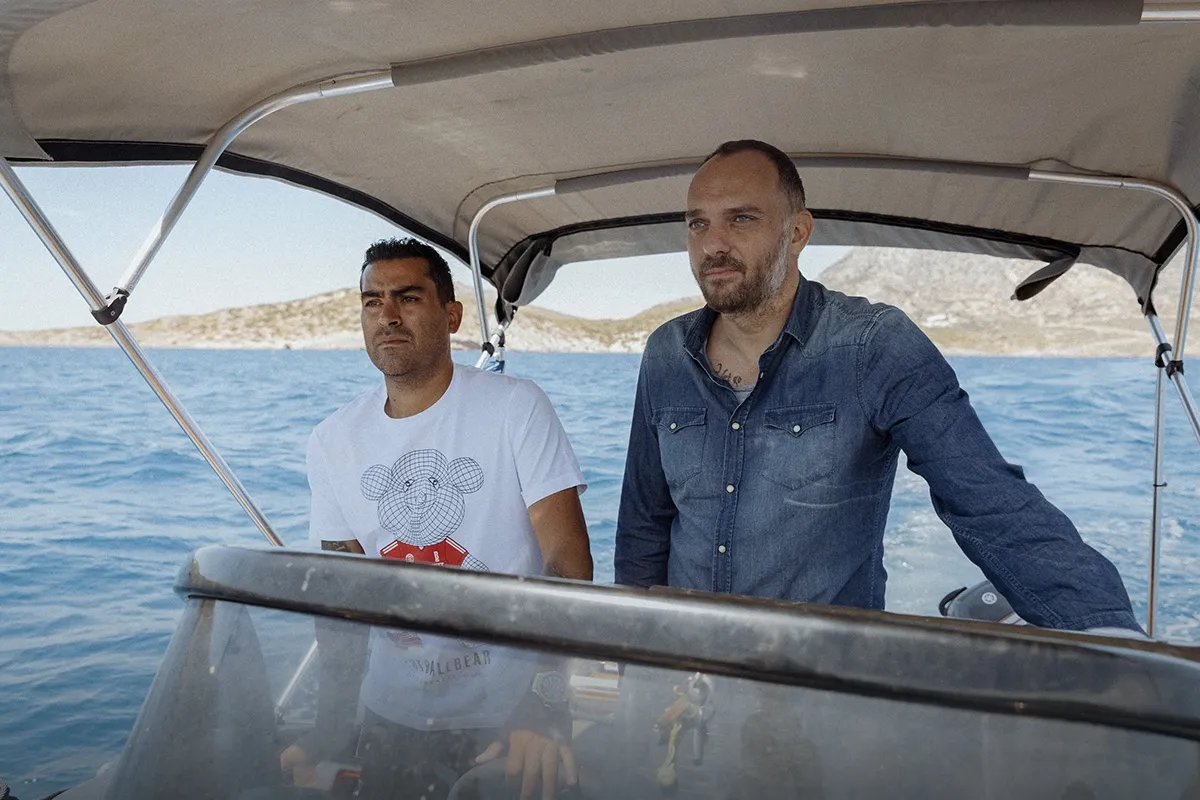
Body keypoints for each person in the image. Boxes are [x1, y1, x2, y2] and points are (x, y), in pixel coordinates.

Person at [614, 139, 1141, 635]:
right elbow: (644, 526)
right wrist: (630, 651)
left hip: (818, 677)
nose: (713, 244)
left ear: (797, 232)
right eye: (698, 223)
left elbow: (988, 500)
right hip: (684, 668)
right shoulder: (666, 354)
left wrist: (1107, 633)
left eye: (741, 218)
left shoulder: (873, 345)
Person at [282, 237, 593, 798]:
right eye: (372, 301)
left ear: (452, 316)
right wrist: (331, 726)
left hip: (511, 716)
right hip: (390, 717)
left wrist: (544, 702)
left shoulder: (515, 407)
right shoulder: (332, 440)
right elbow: (340, 599)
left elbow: (568, 563)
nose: (388, 316)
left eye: (408, 298)